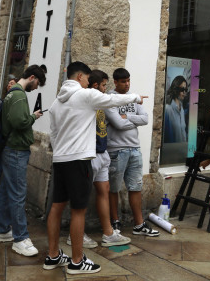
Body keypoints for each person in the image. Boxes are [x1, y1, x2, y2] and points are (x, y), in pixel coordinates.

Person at [44, 62, 144, 274]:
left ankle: (53, 255)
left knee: (56, 206)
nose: (89, 83)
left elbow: (52, 133)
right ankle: (77, 261)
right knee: (79, 210)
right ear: (80, 76)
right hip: (79, 159)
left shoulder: (56, 103)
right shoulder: (84, 95)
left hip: (60, 159)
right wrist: (135, 97)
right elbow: (111, 99)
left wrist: (61, 150)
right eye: (88, 79)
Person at [0, 65, 46, 257]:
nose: (36, 87)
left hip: (12, 148)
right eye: (37, 82)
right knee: (17, 193)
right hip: (16, 149)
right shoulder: (19, 95)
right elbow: (19, 122)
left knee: (8, 190)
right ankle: (21, 238)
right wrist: (33, 116)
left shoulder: (13, 93)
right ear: (32, 77)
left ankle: (1, 229)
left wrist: (30, 116)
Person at [76, 70, 131, 249]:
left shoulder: (101, 102)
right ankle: (77, 234)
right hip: (89, 153)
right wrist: (135, 98)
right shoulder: (87, 100)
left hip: (102, 151)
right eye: (104, 85)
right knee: (82, 195)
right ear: (95, 86)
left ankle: (108, 233)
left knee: (104, 190)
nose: (106, 89)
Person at [107, 68, 160, 238]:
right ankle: (114, 221)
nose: (127, 84)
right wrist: (131, 120)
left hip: (134, 149)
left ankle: (139, 224)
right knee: (113, 188)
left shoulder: (134, 98)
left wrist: (126, 119)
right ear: (115, 82)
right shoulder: (109, 99)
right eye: (123, 81)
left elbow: (145, 119)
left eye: (128, 80)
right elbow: (117, 124)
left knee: (135, 187)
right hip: (117, 150)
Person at [163, 75, 188, 143]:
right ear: (176, 89)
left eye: (185, 89)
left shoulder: (182, 109)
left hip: (182, 150)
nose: (184, 92)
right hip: (172, 151)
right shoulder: (168, 109)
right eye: (182, 89)